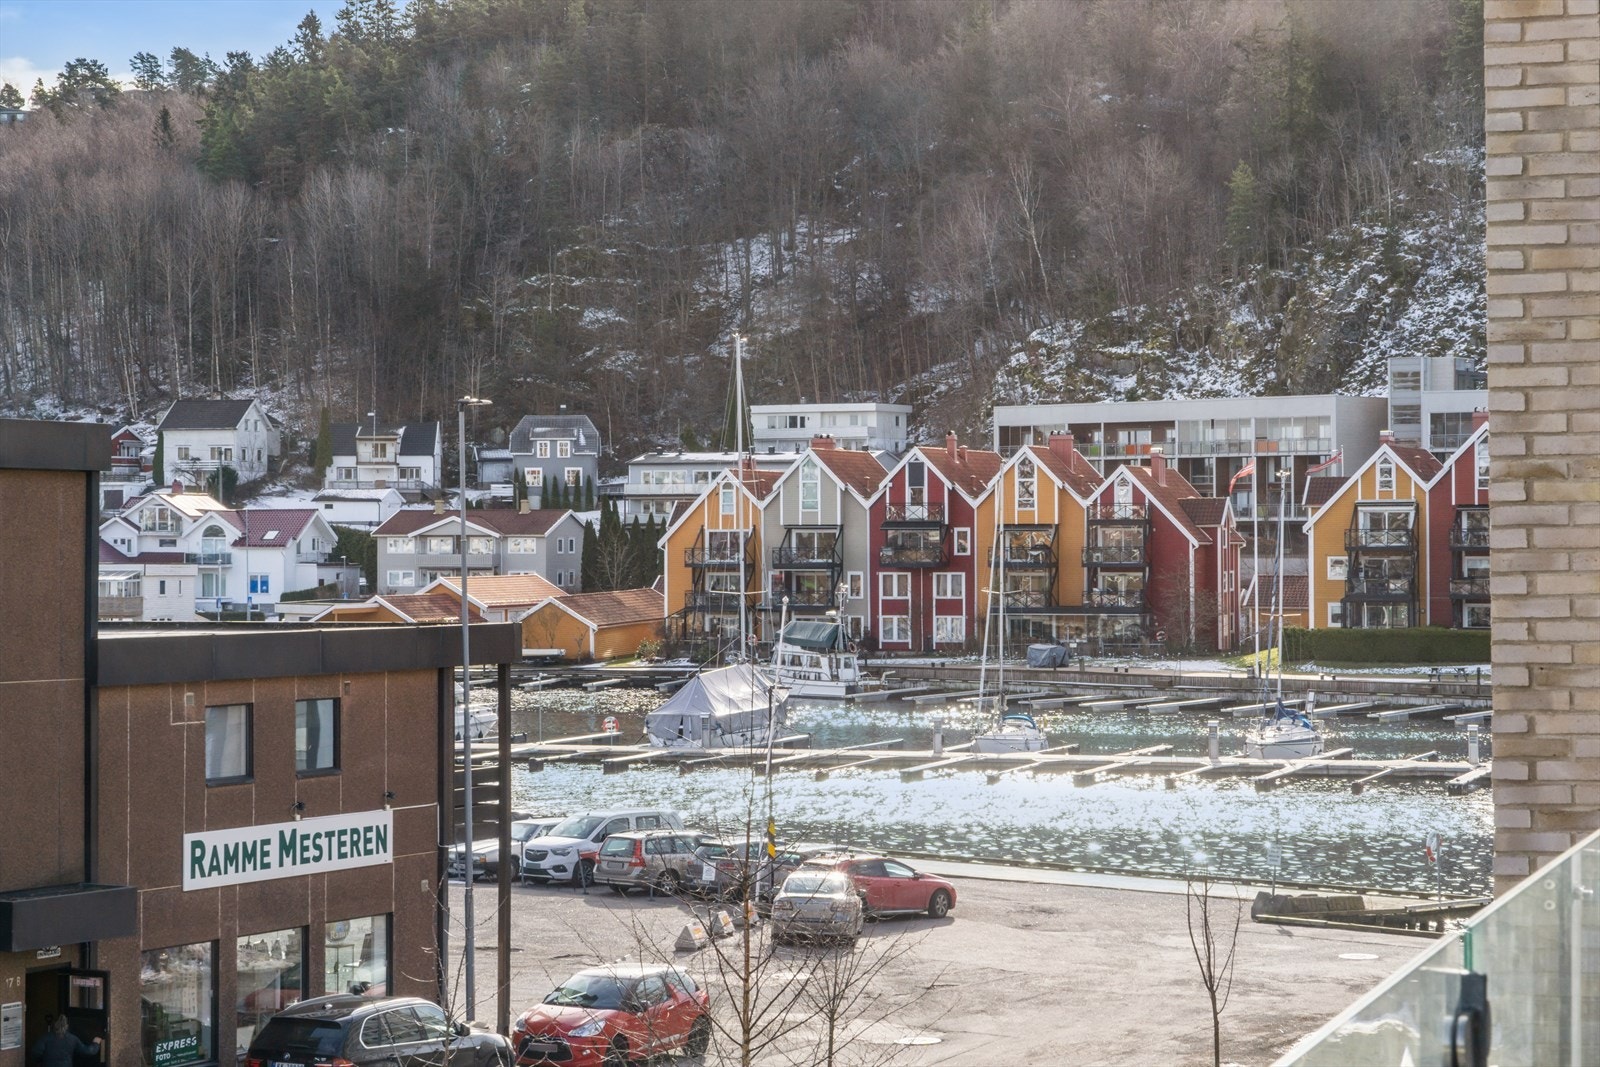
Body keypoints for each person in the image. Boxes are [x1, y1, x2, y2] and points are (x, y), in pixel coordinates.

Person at [30, 1015, 101, 1067]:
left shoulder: (46, 1037)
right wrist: (96, 1043)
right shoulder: (73, 1039)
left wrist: (41, 1061)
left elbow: (36, 1053)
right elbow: (88, 1051)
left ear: (54, 1025)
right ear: (67, 1026)